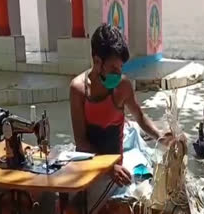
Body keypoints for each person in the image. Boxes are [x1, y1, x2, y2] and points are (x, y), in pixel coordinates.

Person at [68, 23, 168, 213]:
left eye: (121, 67)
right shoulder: (78, 90)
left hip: (117, 168)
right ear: (97, 61)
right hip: (91, 166)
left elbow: (140, 116)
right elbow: (81, 142)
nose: (118, 73)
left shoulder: (123, 87)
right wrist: (108, 168)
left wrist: (160, 136)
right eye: (113, 68)